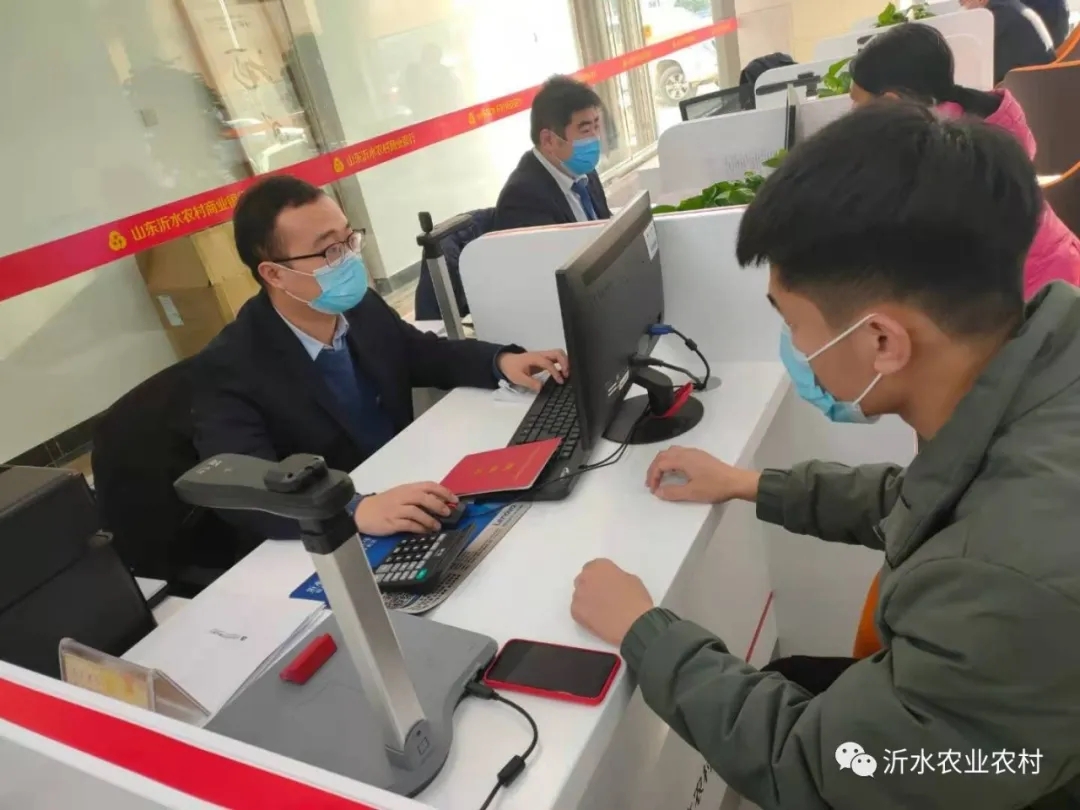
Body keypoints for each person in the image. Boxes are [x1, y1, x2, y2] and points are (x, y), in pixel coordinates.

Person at [569, 102, 1080, 808]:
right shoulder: (1045, 376)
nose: (796, 349)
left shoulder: (1005, 579)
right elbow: (926, 498)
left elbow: (819, 767)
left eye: (792, 322)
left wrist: (642, 630)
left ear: (882, 341)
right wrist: (751, 484)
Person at [192, 176, 568, 541]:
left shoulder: (360, 308)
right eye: (330, 250)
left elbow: (421, 353)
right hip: (339, 531)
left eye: (349, 239)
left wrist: (499, 361)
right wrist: (353, 509)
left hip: (409, 477)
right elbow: (245, 485)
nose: (350, 259)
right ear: (275, 274)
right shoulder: (229, 367)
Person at [850, 22, 1080, 300]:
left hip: (1033, 299)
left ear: (890, 101)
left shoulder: (940, 154)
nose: (852, 112)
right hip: (1060, 270)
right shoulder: (971, 115)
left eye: (857, 102)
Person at [493, 75, 612, 231]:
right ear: (548, 140)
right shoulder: (523, 199)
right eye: (585, 130)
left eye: (596, 127)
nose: (595, 138)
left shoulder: (584, 172)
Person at [958, 0, 1055, 81]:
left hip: (1031, 84)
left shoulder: (995, 15)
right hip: (1045, 79)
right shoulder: (1008, 6)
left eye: (963, 1)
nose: (961, 4)